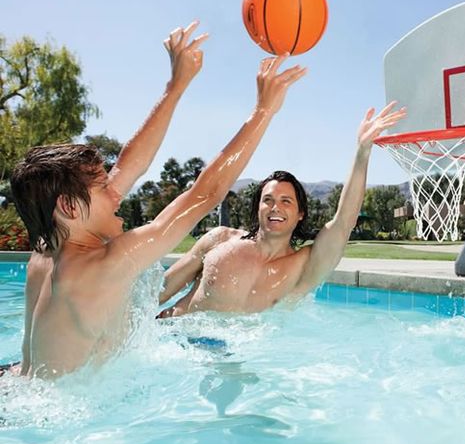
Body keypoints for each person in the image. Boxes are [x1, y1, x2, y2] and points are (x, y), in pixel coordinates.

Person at [10, 22, 305, 378]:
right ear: (70, 207)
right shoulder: (104, 264)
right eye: (104, 189)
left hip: (19, 386)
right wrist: (263, 112)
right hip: (63, 424)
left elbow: (127, 165)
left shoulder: (46, 250)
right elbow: (206, 194)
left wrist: (176, 86)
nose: (117, 191)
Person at [157, 102, 406, 316]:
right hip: (176, 336)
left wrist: (362, 151)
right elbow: (160, 290)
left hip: (229, 358)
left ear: (300, 214)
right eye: (268, 200)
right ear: (258, 208)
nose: (276, 207)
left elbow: (343, 223)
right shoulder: (219, 240)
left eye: (286, 201)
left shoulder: (304, 265)